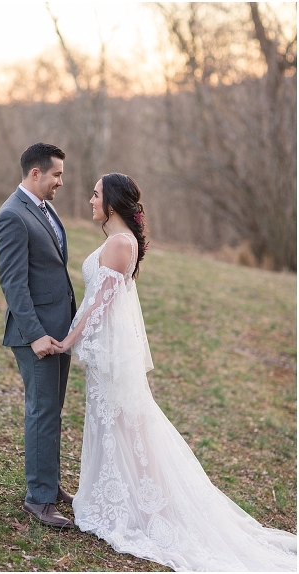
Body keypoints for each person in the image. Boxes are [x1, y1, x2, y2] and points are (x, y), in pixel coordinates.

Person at [54, 173, 296, 570]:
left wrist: (67, 339)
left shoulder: (118, 244)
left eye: (96, 195)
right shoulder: (121, 241)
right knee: (117, 424)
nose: (91, 200)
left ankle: (141, 506)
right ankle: (118, 496)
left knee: (124, 425)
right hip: (110, 352)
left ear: (112, 203)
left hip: (111, 353)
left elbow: (99, 303)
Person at [0, 143, 77, 528]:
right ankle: (38, 500)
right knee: (42, 412)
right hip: (37, 336)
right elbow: (13, 284)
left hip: (60, 329)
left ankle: (50, 483)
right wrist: (37, 335)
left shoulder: (44, 208)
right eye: (57, 173)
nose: (62, 181)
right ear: (36, 173)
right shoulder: (11, 216)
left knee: (52, 412)